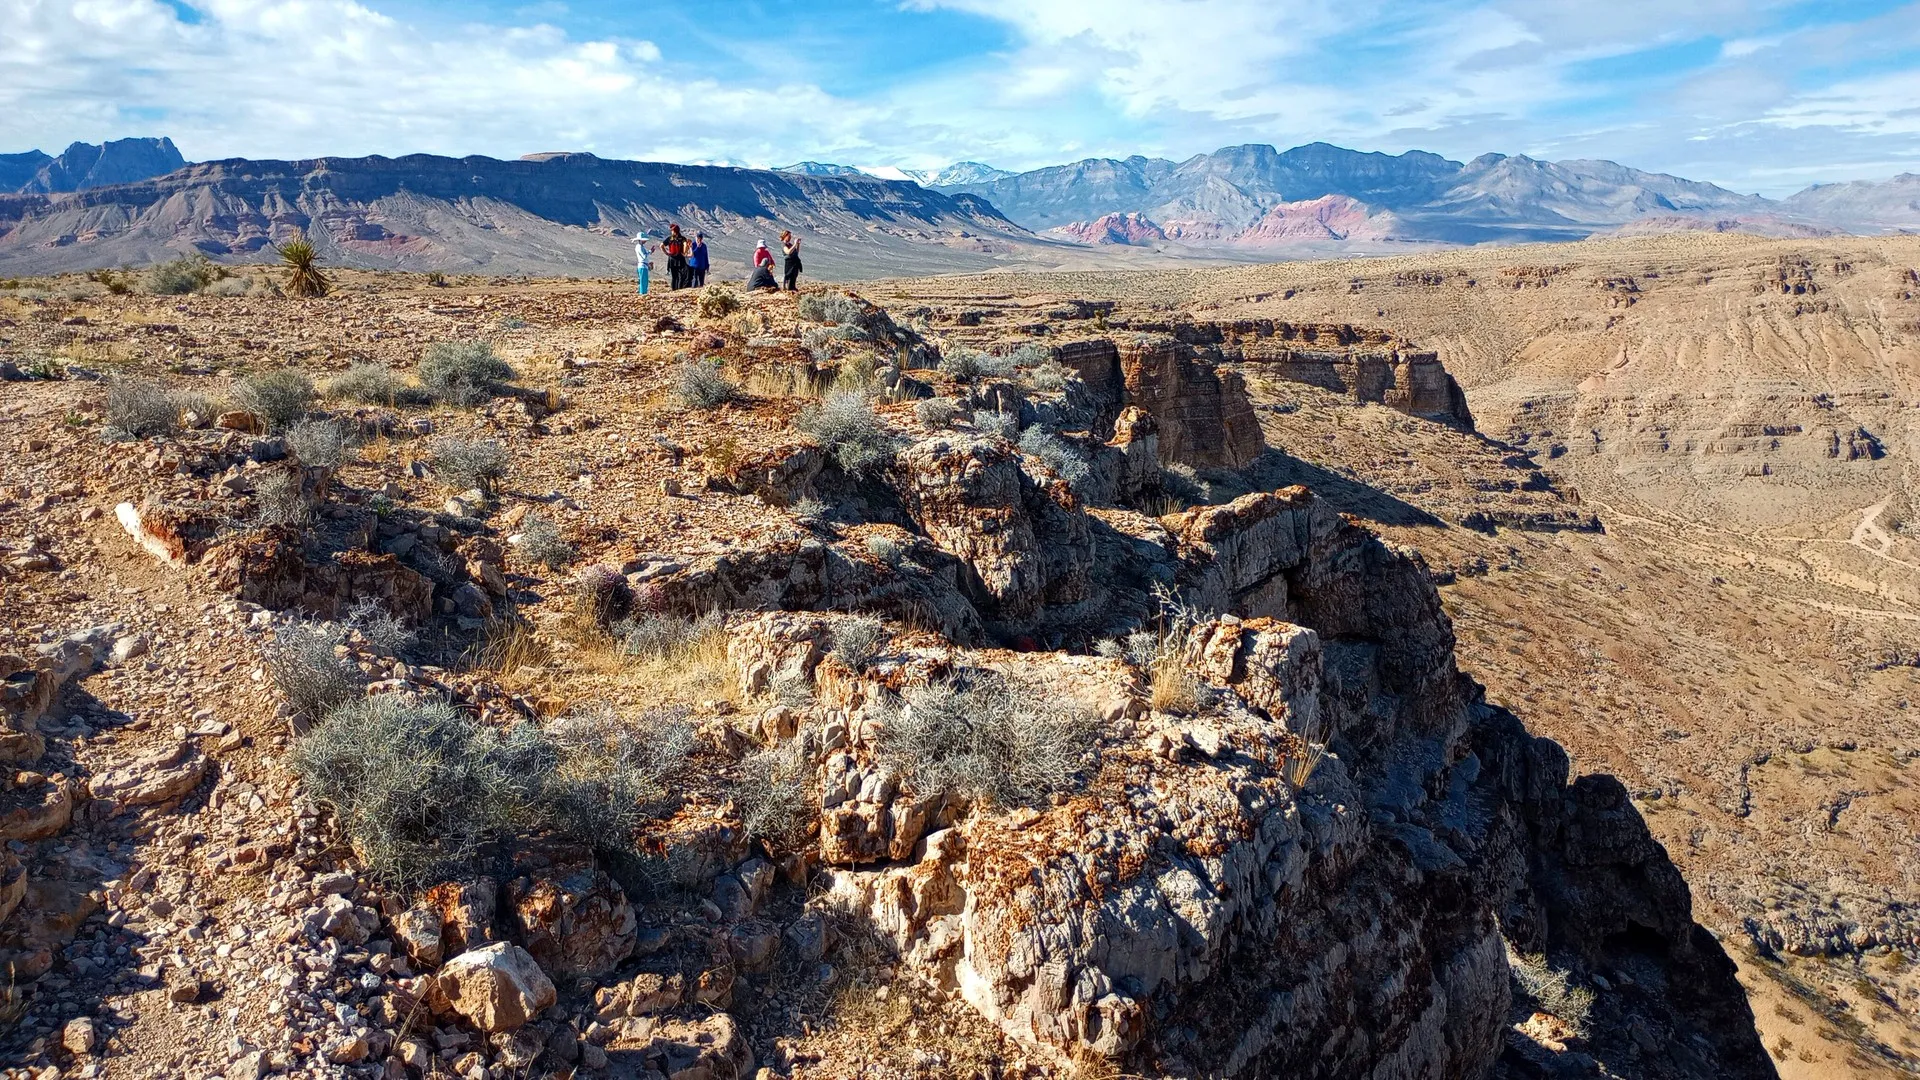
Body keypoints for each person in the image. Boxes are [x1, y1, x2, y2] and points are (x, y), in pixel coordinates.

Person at [663, 224, 690, 290]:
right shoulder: (682, 238)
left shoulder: (670, 238)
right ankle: (679, 289)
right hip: (680, 258)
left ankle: (673, 289)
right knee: (681, 276)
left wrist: (666, 253)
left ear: (674, 231)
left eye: (672, 230)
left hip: (672, 259)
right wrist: (684, 253)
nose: (671, 232)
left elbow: (661, 245)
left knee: (674, 276)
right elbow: (686, 245)